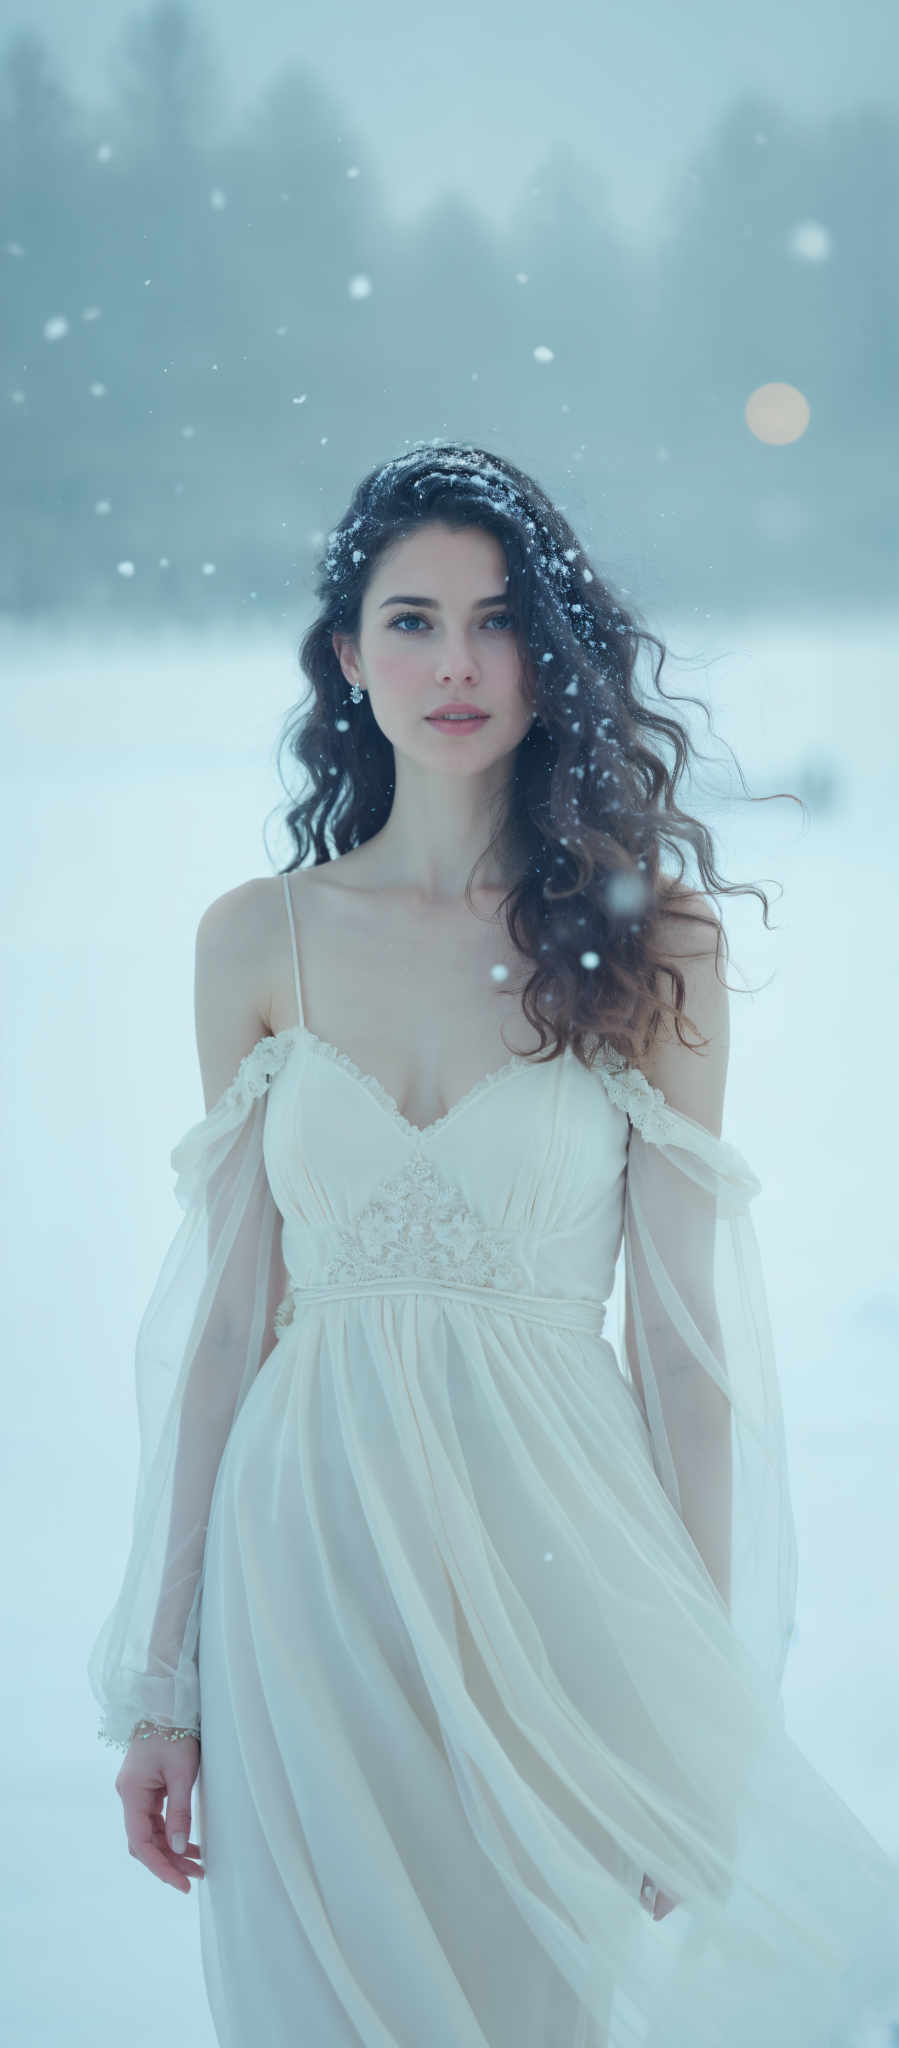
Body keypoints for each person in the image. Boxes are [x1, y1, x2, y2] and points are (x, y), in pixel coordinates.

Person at [88, 444, 899, 2047]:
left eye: (497, 620)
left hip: (553, 1566)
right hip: (300, 1569)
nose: (455, 664)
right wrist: (165, 1682)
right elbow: (223, 1332)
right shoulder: (259, 937)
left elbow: (683, 1350)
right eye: (411, 620)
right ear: (347, 657)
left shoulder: (648, 938)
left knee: (536, 2005)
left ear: (553, 653)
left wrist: (694, 1714)